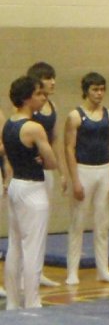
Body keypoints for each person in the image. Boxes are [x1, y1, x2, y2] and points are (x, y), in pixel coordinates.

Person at [2, 76, 58, 309]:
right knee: (33, 248)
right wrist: (42, 159)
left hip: (16, 185)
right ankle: (33, 302)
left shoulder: (9, 124)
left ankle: (13, 302)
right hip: (33, 190)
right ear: (26, 98)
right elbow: (52, 162)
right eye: (39, 94)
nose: (43, 98)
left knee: (15, 247)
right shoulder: (34, 128)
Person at [64, 72, 109, 285]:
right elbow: (69, 149)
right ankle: (72, 271)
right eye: (95, 89)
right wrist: (75, 180)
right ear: (86, 91)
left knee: (102, 222)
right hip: (83, 170)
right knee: (77, 222)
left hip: (104, 171)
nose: (99, 93)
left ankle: (103, 270)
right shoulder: (75, 117)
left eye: (102, 89)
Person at [27, 61, 67, 287]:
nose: (53, 82)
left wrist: (61, 171)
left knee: (42, 223)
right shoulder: (28, 107)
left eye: (53, 78)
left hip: (46, 171)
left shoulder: (53, 106)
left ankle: (37, 270)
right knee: (27, 226)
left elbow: (55, 140)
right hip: (28, 171)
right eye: (48, 78)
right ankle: (23, 274)